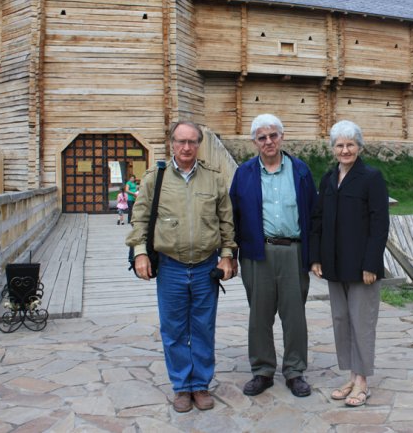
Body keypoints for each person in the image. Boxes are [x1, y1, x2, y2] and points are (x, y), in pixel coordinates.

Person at [126, 121, 236, 413]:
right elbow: (140, 217)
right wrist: (140, 253)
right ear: (171, 143)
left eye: (192, 142)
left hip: (205, 267)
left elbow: (226, 221)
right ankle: (181, 386)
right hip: (171, 267)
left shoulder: (213, 179)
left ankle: (200, 385)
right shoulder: (155, 178)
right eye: (180, 141)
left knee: (203, 328)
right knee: (173, 330)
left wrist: (227, 255)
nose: (186, 147)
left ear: (199, 144)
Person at [229, 114, 318, 398]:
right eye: (262, 137)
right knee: (259, 315)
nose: (268, 141)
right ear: (254, 142)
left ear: (282, 137)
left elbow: (314, 215)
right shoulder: (244, 173)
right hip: (257, 252)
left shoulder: (300, 171)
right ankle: (262, 371)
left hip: (293, 251)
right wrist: (230, 254)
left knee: (294, 316)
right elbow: (233, 216)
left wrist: (314, 255)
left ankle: (295, 371)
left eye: (273, 135)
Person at [309, 120, 389, 407]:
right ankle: (352, 376)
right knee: (342, 320)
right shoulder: (328, 178)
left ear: (360, 147)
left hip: (361, 266)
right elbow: (318, 219)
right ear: (333, 148)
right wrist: (315, 257)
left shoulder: (371, 177)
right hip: (334, 264)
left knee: (362, 322)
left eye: (350, 145)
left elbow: (380, 224)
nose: (345, 150)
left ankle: (362, 381)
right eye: (340, 145)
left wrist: (371, 264)